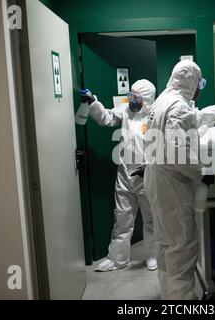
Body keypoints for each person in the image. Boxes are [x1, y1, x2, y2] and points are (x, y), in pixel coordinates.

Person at [142, 60, 215, 300]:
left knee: (166, 245)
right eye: (200, 83)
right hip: (172, 185)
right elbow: (180, 154)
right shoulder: (179, 107)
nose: (200, 89)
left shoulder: (163, 100)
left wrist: (212, 113)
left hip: (156, 178)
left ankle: (169, 295)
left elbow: (186, 121)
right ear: (192, 82)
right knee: (182, 248)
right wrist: (203, 173)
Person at [75, 79, 158, 272]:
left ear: (145, 99)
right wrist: (93, 101)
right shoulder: (126, 111)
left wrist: (151, 166)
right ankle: (118, 259)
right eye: (130, 94)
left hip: (147, 176)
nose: (130, 99)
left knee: (151, 219)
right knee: (122, 218)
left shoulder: (155, 116)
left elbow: (164, 147)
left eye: (135, 97)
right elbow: (106, 117)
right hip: (125, 175)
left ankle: (153, 256)